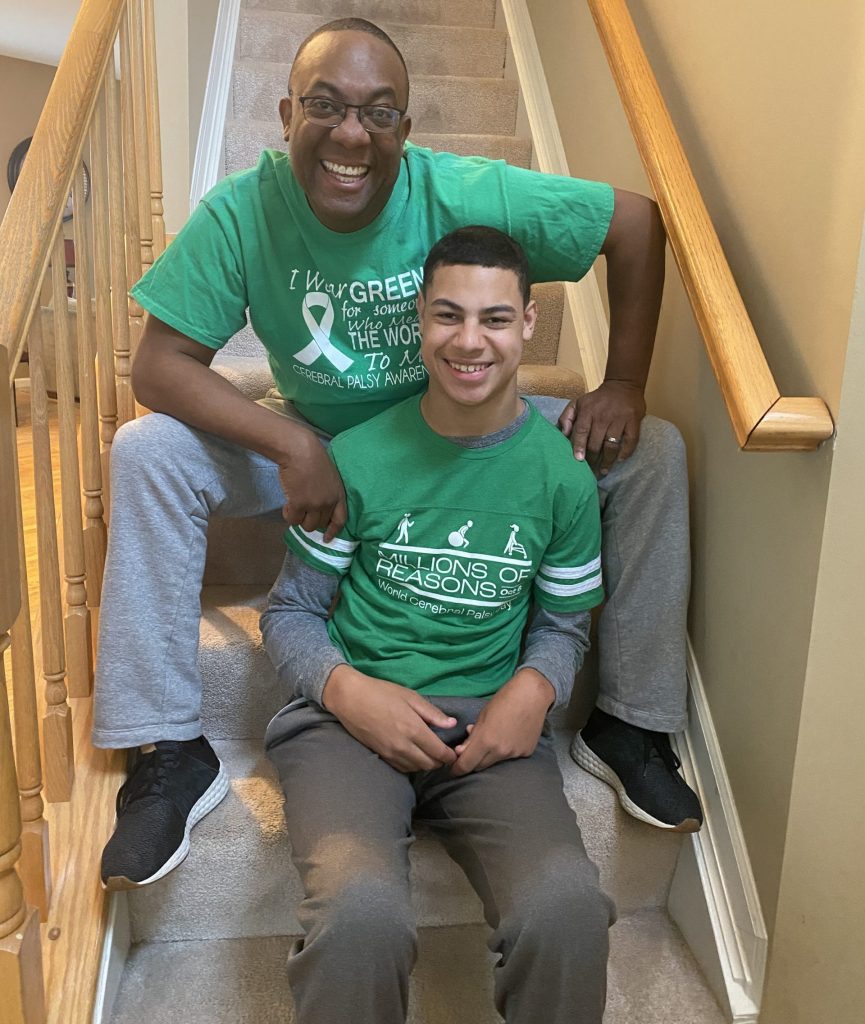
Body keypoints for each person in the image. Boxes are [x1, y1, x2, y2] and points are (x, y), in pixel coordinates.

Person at [96, 17, 699, 892]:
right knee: (147, 450)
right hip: (317, 442)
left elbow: (636, 224)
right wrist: (293, 440)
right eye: (325, 108)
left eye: (379, 114)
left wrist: (626, 384)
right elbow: (159, 365)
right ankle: (166, 748)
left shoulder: (458, 189)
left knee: (654, 451)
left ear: (407, 131)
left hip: (459, 419)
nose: (351, 135)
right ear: (284, 113)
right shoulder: (243, 208)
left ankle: (631, 722)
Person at [261, 226, 614, 1024]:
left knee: (563, 908)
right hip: (346, 727)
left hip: (489, 732)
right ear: (419, 317)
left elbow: (564, 625)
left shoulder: (562, 480)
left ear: (528, 323)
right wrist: (350, 693)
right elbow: (288, 614)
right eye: (447, 315)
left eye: (493, 319)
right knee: (358, 916)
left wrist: (534, 688)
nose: (468, 341)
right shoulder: (357, 457)